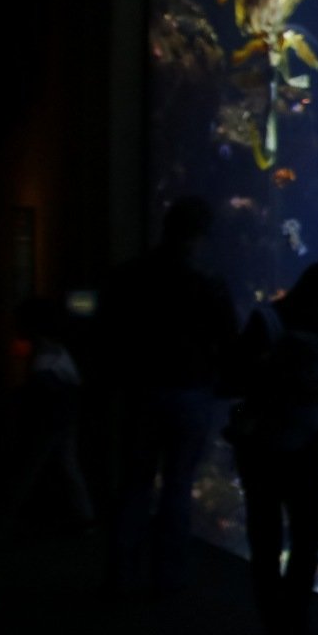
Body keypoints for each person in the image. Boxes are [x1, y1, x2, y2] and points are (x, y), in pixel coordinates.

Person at [101, 196, 240, 596]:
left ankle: (120, 575)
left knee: (135, 482)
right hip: (191, 391)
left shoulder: (130, 275)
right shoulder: (208, 282)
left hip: (141, 390)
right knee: (178, 486)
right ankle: (167, 578)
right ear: (202, 235)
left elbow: (109, 331)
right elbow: (229, 338)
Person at [222, 260, 318, 635]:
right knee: (268, 543)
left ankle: (294, 623)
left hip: (305, 453)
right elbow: (230, 382)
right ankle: (278, 632)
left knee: (305, 542)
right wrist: (286, 381)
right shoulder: (267, 324)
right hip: (264, 451)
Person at [4, 296, 96, 536]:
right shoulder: (54, 351)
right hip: (62, 416)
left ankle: (5, 519)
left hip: (52, 418)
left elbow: (45, 388)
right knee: (66, 464)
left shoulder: (45, 355)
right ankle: (85, 517)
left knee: (29, 468)